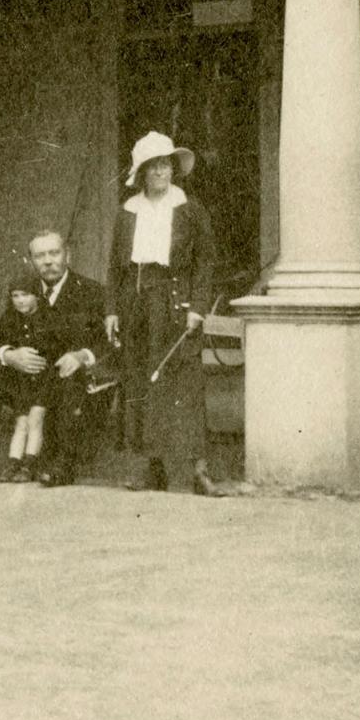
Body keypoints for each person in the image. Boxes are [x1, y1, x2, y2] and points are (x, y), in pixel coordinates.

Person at [102, 130, 223, 496]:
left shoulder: (189, 208)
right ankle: (151, 468)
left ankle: (199, 471)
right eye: (153, 167)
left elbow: (206, 261)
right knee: (140, 383)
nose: (161, 172)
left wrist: (198, 307)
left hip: (175, 303)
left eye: (166, 165)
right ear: (141, 173)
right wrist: (111, 310)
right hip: (135, 305)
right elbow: (115, 267)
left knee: (184, 387)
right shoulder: (129, 211)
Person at [0, 229, 107, 486]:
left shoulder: (91, 291)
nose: (48, 261)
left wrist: (81, 355)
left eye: (54, 253)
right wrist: (9, 354)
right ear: (31, 261)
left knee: (71, 377)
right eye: (40, 256)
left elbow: (106, 342)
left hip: (63, 377)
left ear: (68, 255)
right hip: (28, 380)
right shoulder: (24, 292)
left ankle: (63, 462)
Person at [0, 271, 67, 483]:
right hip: (22, 384)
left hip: (45, 381)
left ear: (38, 295)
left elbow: (61, 345)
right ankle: (13, 463)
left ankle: (29, 464)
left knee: (35, 419)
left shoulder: (51, 317)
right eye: (15, 296)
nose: (20, 300)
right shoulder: (10, 317)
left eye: (26, 295)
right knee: (21, 422)